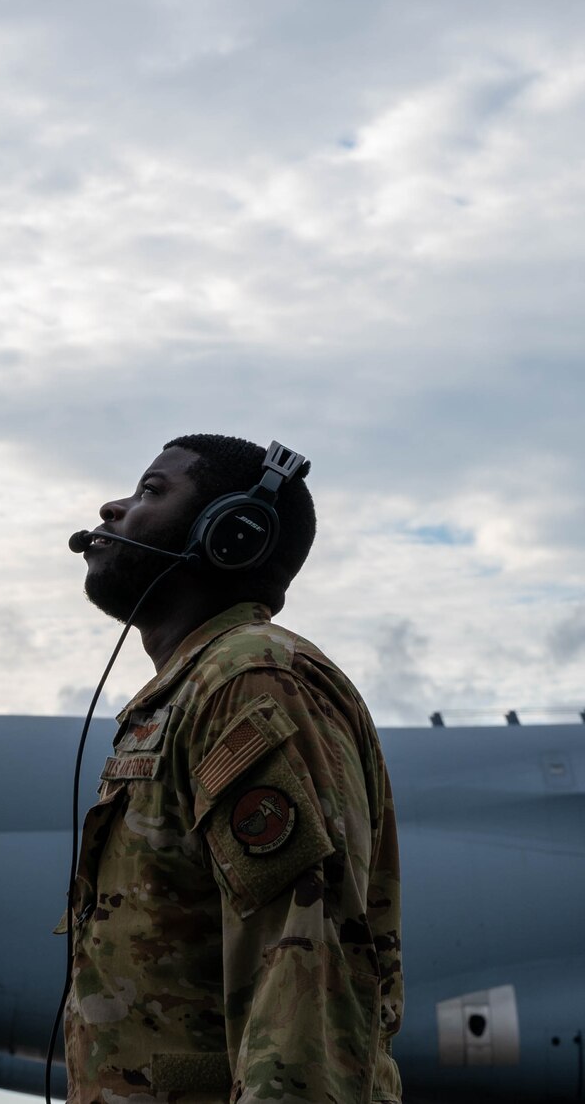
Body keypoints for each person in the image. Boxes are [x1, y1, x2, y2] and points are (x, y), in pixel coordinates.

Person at [64, 435, 402, 1103]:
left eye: (151, 492)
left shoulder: (254, 681)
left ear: (232, 535)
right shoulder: (195, 689)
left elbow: (302, 967)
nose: (111, 508)